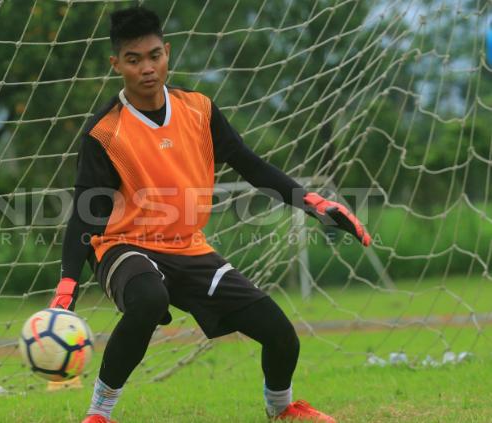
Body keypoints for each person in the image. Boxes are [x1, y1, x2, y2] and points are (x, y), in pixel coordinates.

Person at [49, 6, 371, 423]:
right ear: (116, 65)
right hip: (124, 247)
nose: (146, 68)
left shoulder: (198, 109)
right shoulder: (105, 132)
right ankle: (99, 414)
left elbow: (250, 166)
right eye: (133, 60)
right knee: (149, 299)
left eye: (153, 56)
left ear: (167, 52)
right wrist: (67, 282)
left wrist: (315, 204)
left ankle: (281, 408)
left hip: (189, 248)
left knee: (280, 335)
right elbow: (86, 214)